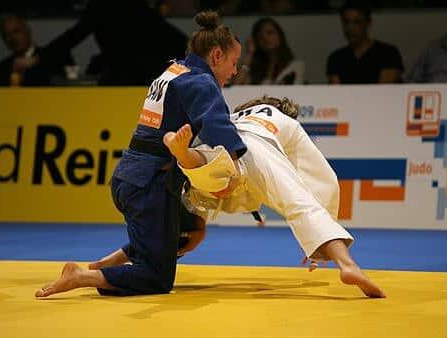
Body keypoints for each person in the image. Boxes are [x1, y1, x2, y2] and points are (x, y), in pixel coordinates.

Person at [35, 10, 246, 298]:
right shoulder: (199, 81)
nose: (235, 71)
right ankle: (82, 276)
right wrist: (234, 168)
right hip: (150, 187)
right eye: (234, 63)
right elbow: (216, 125)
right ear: (217, 55)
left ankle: (111, 262)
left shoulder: (173, 71)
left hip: (129, 178)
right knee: (156, 278)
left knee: (189, 228)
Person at [163, 96, 386, 298]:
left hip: (222, 149)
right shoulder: (287, 122)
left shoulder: (234, 117)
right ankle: (348, 265)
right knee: (302, 205)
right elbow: (323, 177)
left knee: (204, 183)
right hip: (259, 148)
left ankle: (185, 155)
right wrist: (320, 239)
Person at [30, 0, 187, 86]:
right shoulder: (133, 5)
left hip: (134, 75)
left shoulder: (103, 5)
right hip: (148, 76)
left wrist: (38, 58)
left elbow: (74, 35)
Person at [326, 1, 404, 84]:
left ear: (368, 23)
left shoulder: (388, 53)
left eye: (357, 22)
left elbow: (384, 91)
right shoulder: (336, 58)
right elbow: (336, 93)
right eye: (346, 22)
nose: (350, 28)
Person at [0, 14, 74, 86]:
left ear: (28, 31)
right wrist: (15, 74)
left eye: (16, 31)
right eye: (6, 35)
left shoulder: (57, 57)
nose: (12, 39)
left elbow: (74, 87)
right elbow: (5, 101)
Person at [233, 17, 304, 85]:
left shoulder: (295, 66)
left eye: (270, 33)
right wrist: (249, 53)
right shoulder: (254, 68)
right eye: (260, 36)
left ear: (280, 35)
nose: (265, 38)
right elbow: (236, 87)